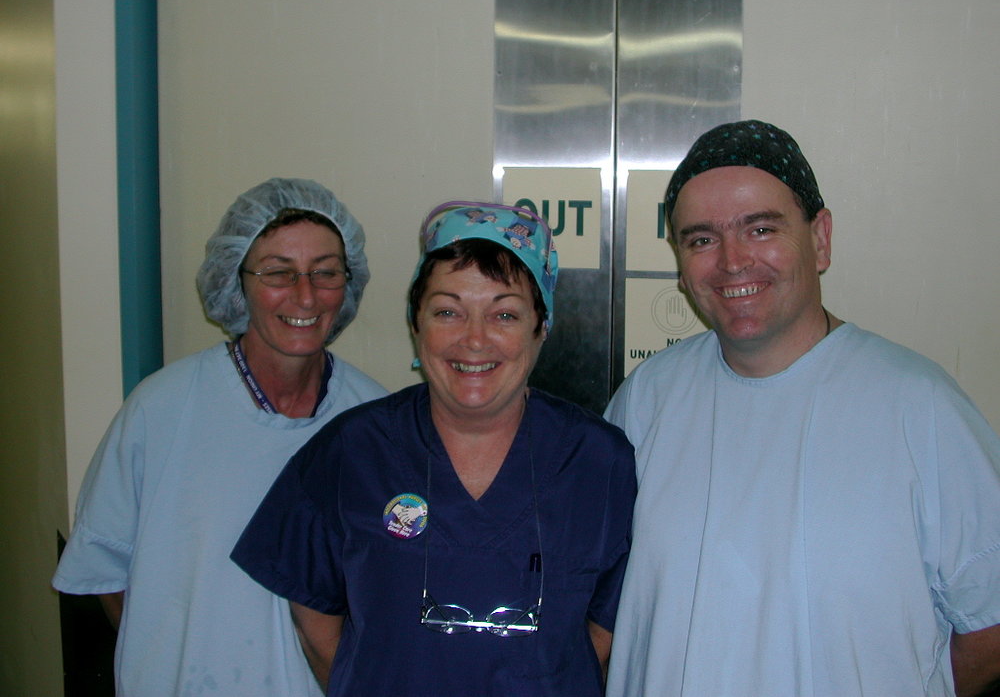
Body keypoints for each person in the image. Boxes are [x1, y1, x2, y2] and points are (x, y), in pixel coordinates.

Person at [604, 120, 1000, 697]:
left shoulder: (922, 408)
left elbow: (987, 630)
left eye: (760, 228)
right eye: (701, 239)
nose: (732, 261)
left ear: (820, 239)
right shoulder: (647, 400)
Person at [231, 200, 637, 696]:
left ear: (541, 327)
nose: (474, 339)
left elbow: (605, 627)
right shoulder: (354, 450)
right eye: (448, 311)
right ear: (415, 324)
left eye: (504, 314)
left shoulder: (599, 461)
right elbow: (314, 612)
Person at [52, 178, 387, 696]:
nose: (305, 295)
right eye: (279, 272)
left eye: (326, 273)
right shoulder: (161, 410)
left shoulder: (373, 421)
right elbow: (106, 571)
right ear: (237, 280)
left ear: (349, 282)